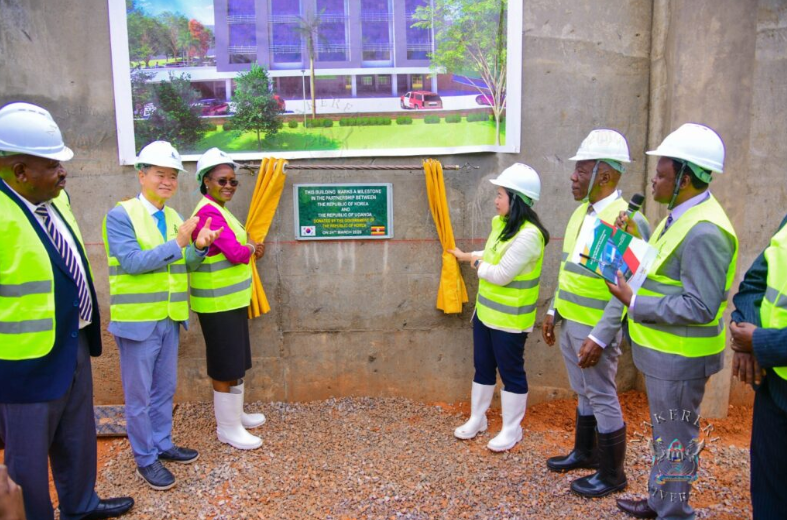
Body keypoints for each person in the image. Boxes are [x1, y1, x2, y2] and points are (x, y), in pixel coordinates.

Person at [0, 102, 133, 519]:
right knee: (28, 462)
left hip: (72, 344)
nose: (63, 172)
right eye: (53, 164)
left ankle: (80, 505)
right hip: (23, 364)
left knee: (76, 436)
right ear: (20, 171)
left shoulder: (55, 199)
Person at [608, 124, 737, 519]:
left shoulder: (705, 232)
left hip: (681, 359)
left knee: (676, 439)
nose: (654, 180)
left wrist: (635, 301)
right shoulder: (679, 217)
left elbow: (700, 305)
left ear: (684, 178)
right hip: (665, 355)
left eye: (661, 175)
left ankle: (674, 512)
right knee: (667, 437)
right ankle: (660, 500)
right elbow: (663, 266)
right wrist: (633, 237)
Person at [103, 141, 222, 491]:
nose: (167, 182)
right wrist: (180, 242)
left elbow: (182, 262)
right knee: (138, 397)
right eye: (160, 174)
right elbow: (133, 263)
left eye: (172, 176)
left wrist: (199, 246)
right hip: (138, 323)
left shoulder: (172, 217)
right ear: (142, 175)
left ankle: (162, 443)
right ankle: (145, 459)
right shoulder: (121, 215)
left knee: (164, 390)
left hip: (169, 318)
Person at [542, 129, 650, 498]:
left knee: (601, 394)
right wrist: (554, 309)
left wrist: (601, 336)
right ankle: (585, 454)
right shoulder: (581, 213)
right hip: (572, 321)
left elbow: (626, 289)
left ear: (604, 175)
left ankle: (612, 474)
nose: (572, 176)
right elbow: (567, 267)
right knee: (584, 391)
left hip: (594, 330)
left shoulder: (627, 221)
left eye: (581, 170)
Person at [449, 163, 549, 452]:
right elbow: (491, 254)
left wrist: (477, 265)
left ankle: (511, 429)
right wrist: (466, 255)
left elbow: (501, 273)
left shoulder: (530, 235)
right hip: (486, 315)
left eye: (500, 194)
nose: (495, 200)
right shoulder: (502, 225)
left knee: (511, 372)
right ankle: (477, 419)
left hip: (510, 320)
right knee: (483, 367)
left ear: (516, 199)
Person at [191, 148, 265, 450]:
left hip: (229, 302)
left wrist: (246, 247)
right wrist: (250, 248)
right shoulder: (208, 211)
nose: (229, 186)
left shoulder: (219, 209)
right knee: (225, 365)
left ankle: (236, 416)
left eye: (234, 182)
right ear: (206, 181)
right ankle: (228, 428)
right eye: (222, 181)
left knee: (236, 362)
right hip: (216, 304)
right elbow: (235, 253)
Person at [729, 212, 787, 519]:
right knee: (769, 493)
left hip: (771, 359)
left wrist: (760, 343)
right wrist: (746, 330)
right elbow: (754, 284)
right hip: (774, 386)